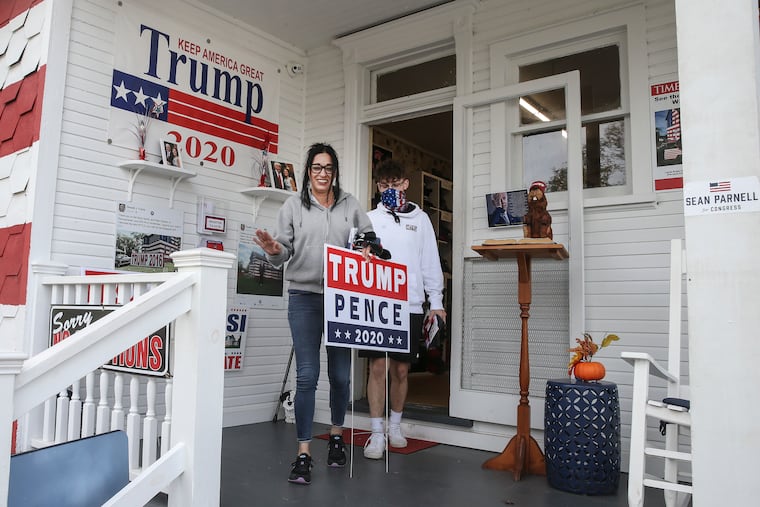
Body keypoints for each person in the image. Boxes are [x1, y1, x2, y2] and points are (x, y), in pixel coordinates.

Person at [253, 142, 374, 485]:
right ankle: (303, 453)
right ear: (308, 172)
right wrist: (275, 250)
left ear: (335, 172)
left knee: (340, 376)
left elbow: (369, 239)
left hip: (341, 300)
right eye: (317, 168)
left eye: (329, 168)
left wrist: (368, 249)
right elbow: (282, 249)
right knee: (307, 376)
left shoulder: (350, 204)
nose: (323, 174)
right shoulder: (293, 205)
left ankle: (336, 436)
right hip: (304, 297)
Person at [360, 159, 447, 459]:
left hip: (410, 303)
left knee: (400, 369)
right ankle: (375, 432)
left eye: (395, 184)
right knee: (377, 367)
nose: (390, 190)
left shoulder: (421, 220)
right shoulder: (368, 218)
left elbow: (429, 262)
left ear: (406, 185)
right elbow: (353, 258)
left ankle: (395, 426)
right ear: (377, 187)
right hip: (377, 303)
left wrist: (436, 302)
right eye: (384, 185)